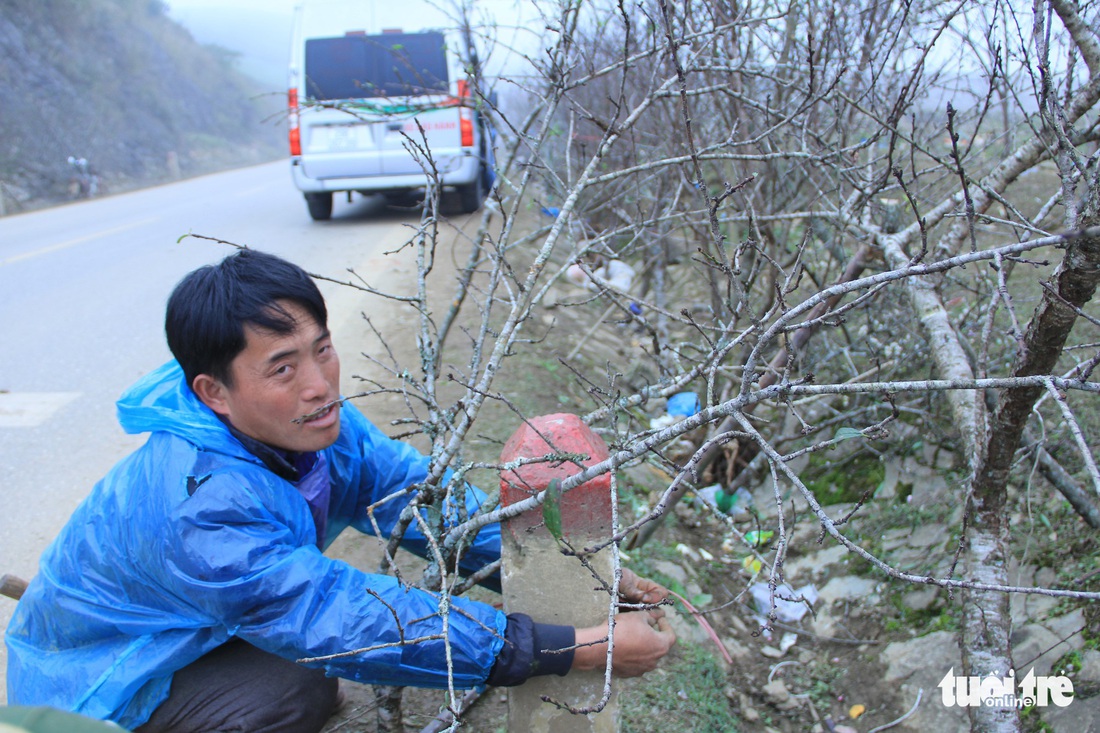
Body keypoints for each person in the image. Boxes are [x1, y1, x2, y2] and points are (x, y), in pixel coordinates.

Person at [5, 250, 676, 732]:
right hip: (99, 683)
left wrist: (591, 573)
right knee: (288, 691)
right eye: (283, 367)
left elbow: (415, 498)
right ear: (214, 392)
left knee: (304, 674)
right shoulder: (202, 503)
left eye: (321, 349)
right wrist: (579, 647)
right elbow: (346, 619)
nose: (320, 383)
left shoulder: (314, 425)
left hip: (185, 626)